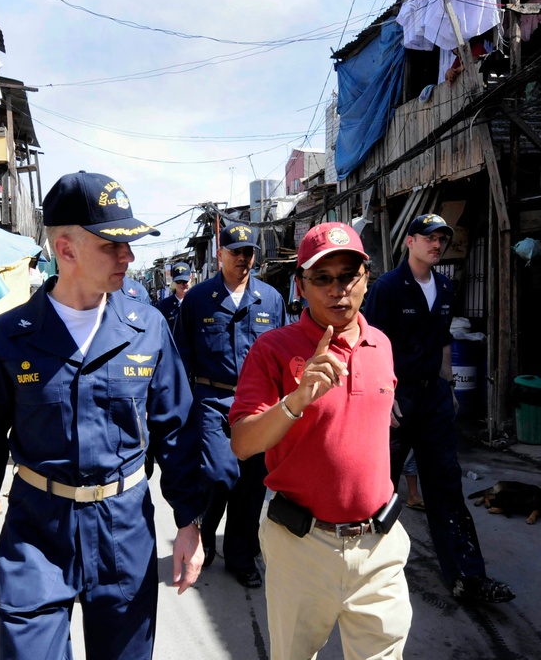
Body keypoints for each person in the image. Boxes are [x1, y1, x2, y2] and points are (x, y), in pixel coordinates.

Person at [0, 171, 205, 659]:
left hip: (123, 530)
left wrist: (189, 522)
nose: (127, 256)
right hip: (36, 535)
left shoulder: (147, 328)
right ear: (66, 250)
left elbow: (176, 430)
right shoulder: (10, 338)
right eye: (112, 245)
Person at [229, 221, 411, 659]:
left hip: (378, 549)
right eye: (322, 279)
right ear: (301, 287)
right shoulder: (273, 349)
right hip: (302, 548)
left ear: (366, 279)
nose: (338, 289)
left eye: (348, 275)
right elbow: (242, 443)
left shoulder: (381, 344)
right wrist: (295, 401)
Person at [363, 213, 515, 604]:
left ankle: (469, 575)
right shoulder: (388, 287)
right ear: (410, 241)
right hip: (397, 396)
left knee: (446, 485)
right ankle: (361, 571)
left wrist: (448, 385)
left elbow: (443, 340)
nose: (437, 244)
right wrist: (385, 391)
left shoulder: (446, 286)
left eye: (442, 239)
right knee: (379, 487)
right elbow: (369, 342)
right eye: (429, 237)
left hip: (433, 399)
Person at [174, 222, 286, 588]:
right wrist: (181, 408)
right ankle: (203, 540)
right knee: (220, 474)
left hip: (258, 403)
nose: (243, 258)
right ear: (219, 254)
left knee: (253, 482)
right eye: (235, 251)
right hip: (211, 400)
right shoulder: (197, 299)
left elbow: (284, 356)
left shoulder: (270, 298)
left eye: (248, 252)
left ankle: (241, 555)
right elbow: (181, 357)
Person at [155, 261, 192, 333]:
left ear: (191, 278)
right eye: (178, 282)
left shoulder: (198, 303)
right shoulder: (164, 306)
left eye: (184, 281)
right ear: (173, 280)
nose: (182, 285)